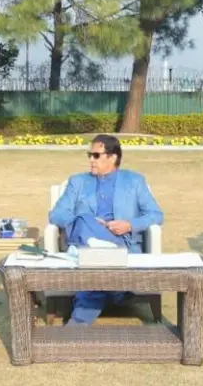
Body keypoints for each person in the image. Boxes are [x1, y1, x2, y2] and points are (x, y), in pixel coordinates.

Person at [48, 134, 164, 325]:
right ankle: (117, 291)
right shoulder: (78, 182)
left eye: (96, 155)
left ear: (113, 157)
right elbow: (57, 215)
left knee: (94, 274)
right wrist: (87, 223)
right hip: (86, 239)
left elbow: (156, 214)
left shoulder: (134, 181)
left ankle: (75, 328)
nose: (90, 160)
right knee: (85, 219)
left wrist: (129, 225)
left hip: (122, 242)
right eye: (89, 155)